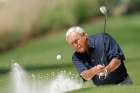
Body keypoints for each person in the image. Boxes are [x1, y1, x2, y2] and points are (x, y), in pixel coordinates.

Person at [65, 26, 133, 85]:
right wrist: (94, 70)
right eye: (72, 44)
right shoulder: (76, 57)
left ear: (85, 35)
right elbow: (85, 75)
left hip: (123, 83)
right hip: (102, 90)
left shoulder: (103, 39)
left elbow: (117, 60)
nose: (75, 45)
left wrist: (106, 70)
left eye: (76, 41)